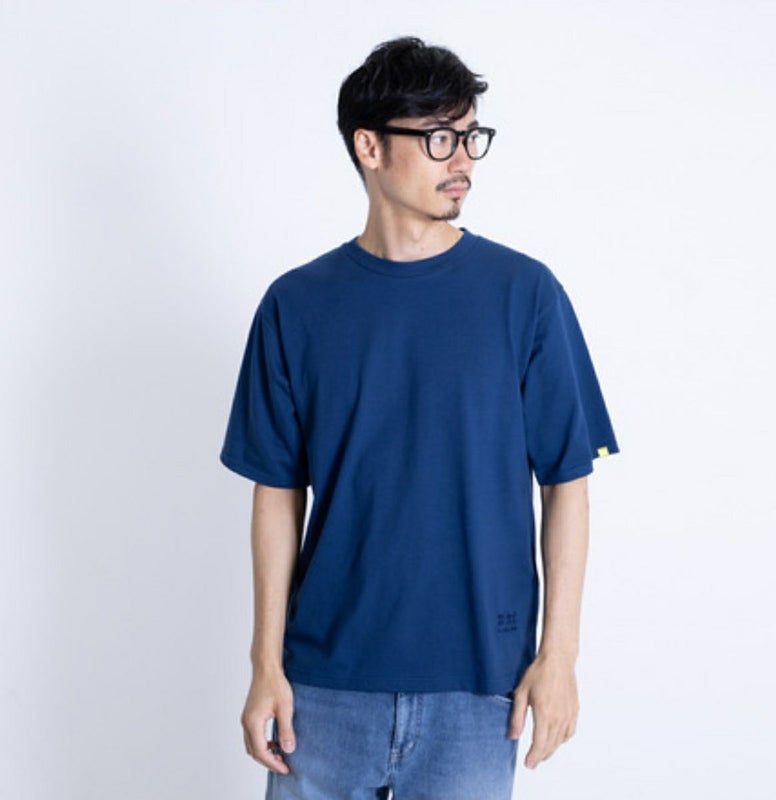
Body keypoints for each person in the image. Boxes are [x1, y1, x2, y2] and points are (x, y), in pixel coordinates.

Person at [220, 35, 620, 800]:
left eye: (470, 136)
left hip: (479, 691)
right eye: (439, 138)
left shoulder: (524, 295)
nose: (462, 158)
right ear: (369, 147)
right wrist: (264, 664)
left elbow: (567, 481)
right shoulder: (295, 306)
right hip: (322, 689)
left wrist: (559, 656)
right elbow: (276, 491)